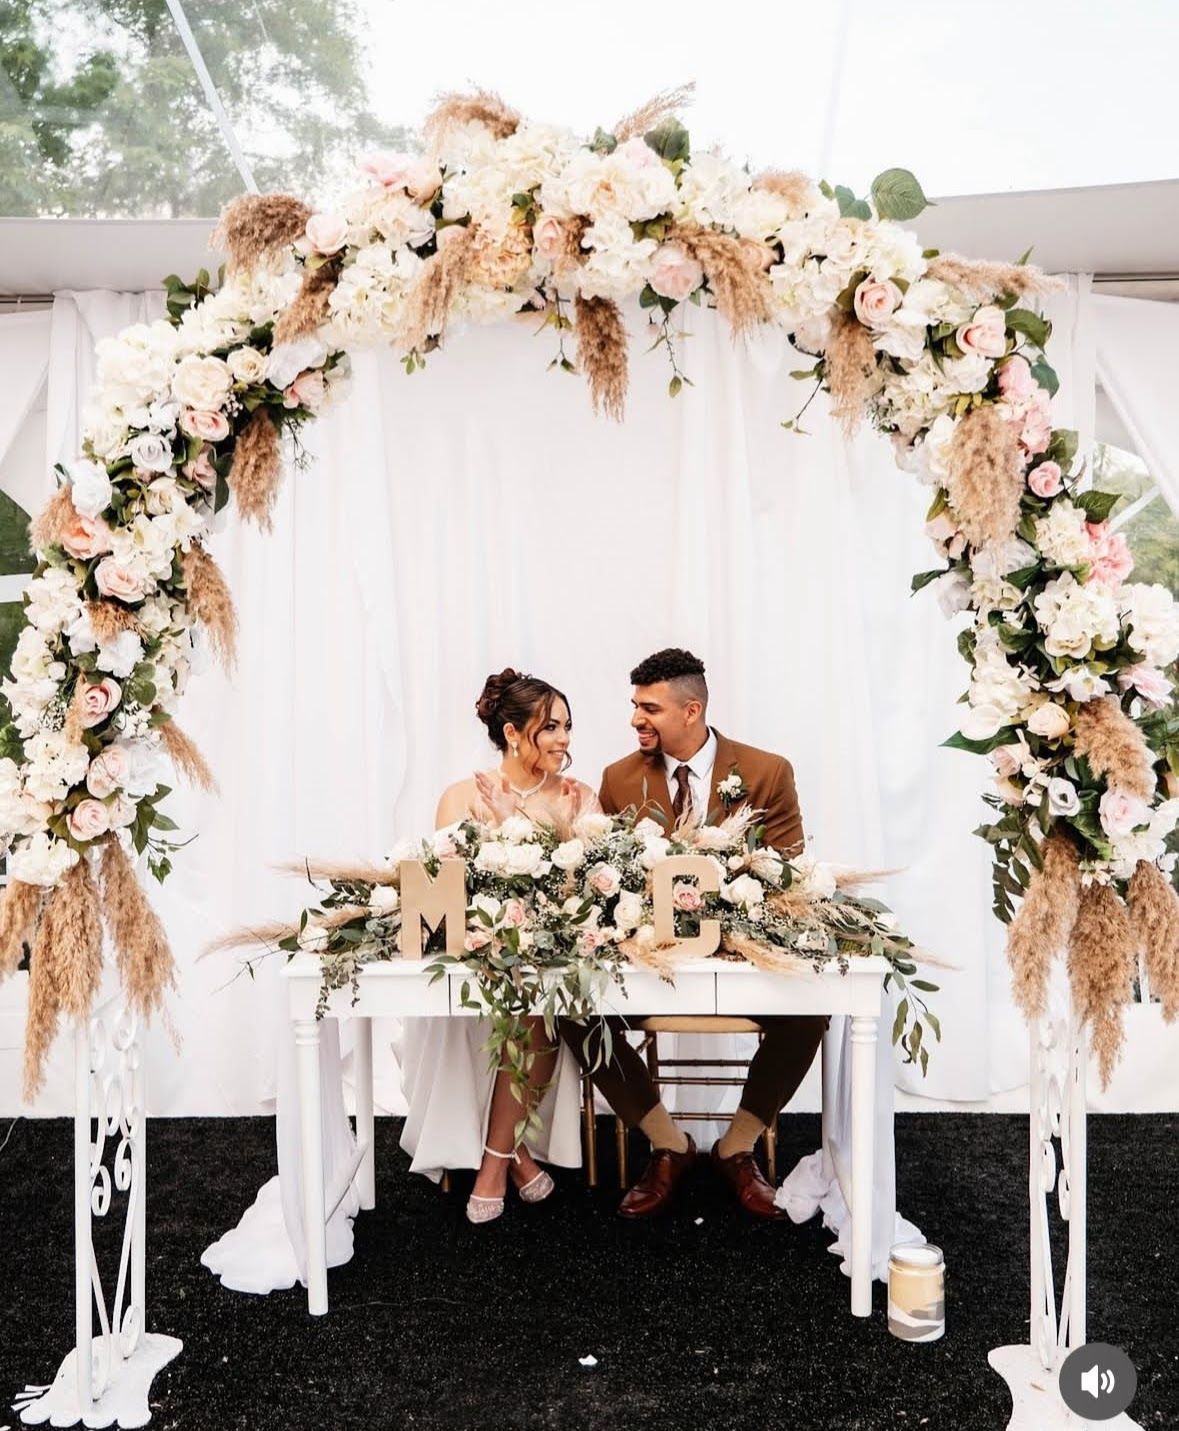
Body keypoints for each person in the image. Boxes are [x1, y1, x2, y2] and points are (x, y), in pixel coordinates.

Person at [561, 647, 825, 1220]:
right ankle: (668, 1144)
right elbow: (601, 875)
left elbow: (788, 872)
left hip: (742, 961)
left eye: (649, 707)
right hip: (647, 959)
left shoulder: (766, 771)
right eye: (634, 705)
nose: (636, 719)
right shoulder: (619, 779)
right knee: (571, 1006)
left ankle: (738, 1147)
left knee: (813, 1006)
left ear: (691, 710)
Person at [398, 669, 598, 1224]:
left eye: (567, 727)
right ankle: (515, 1156)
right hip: (472, 960)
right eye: (551, 727)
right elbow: (442, 887)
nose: (564, 739)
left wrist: (531, 828)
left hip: (544, 963)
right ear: (513, 733)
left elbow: (587, 892)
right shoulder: (462, 795)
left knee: (535, 1005)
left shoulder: (580, 798)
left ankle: (493, 1160)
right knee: (503, 1001)